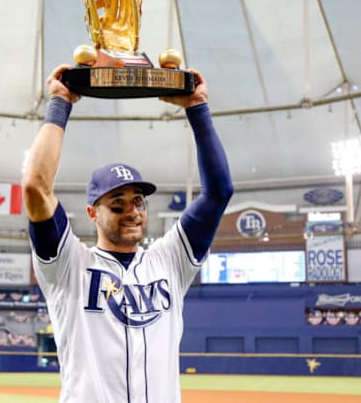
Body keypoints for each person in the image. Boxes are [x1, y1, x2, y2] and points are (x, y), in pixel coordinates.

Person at [23, 64, 233, 403]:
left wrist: (197, 108)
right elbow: (35, 186)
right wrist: (60, 103)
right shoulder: (68, 265)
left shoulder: (170, 260)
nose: (132, 211)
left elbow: (218, 192)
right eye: (117, 203)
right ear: (92, 213)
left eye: (138, 201)